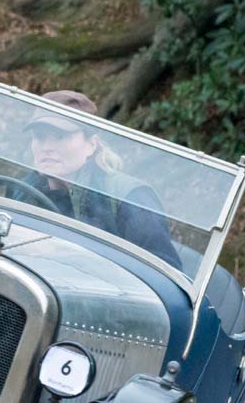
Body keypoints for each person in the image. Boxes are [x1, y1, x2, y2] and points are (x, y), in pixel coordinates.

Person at [15, 90, 182, 269]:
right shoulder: (21, 189)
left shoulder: (129, 198)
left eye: (60, 136)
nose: (47, 147)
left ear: (91, 145)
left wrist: (65, 255)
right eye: (40, 137)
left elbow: (165, 276)